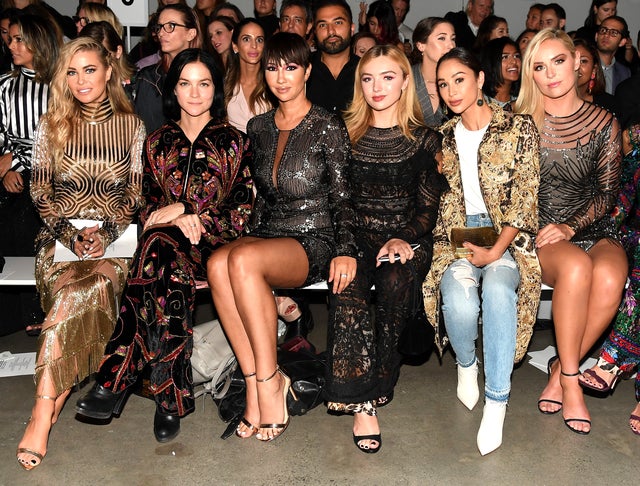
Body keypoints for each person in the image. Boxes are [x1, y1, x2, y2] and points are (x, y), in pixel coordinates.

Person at [75, 48, 253, 443]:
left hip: (215, 248)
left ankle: (114, 379)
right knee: (161, 253)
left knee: (157, 248)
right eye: (185, 83)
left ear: (215, 89)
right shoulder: (157, 142)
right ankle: (169, 397)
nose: (194, 93)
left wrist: (190, 211)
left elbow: (242, 213)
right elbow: (143, 208)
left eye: (203, 83)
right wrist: (168, 215)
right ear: (174, 88)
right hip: (165, 254)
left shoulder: (237, 142)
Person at [207, 32, 356, 442]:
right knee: (220, 262)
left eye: (291, 67)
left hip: (316, 236)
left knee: (241, 261)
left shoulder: (327, 125)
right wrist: (242, 239)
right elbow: (258, 200)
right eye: (272, 67)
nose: (281, 77)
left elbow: (344, 198)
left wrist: (345, 249)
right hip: (270, 232)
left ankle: (272, 381)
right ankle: (256, 383)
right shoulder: (257, 127)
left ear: (307, 71)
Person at [16, 37, 145, 470]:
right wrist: (70, 236)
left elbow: (134, 193)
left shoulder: (132, 126)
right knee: (72, 292)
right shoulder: (51, 124)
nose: (80, 80)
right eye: (71, 72)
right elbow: (39, 190)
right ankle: (44, 407)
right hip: (57, 239)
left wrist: (106, 233)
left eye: (89, 69)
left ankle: (42, 410)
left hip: (116, 241)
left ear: (109, 72)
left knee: (86, 291)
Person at [325, 44, 446, 454]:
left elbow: (429, 209)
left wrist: (404, 236)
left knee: (395, 277)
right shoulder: (344, 133)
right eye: (368, 78)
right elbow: (338, 201)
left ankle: (379, 375)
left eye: (388, 76)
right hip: (355, 237)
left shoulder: (425, 138)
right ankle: (362, 401)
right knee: (348, 282)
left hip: (409, 236)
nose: (377, 86)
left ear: (405, 82)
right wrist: (348, 244)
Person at [423, 47, 540, 456]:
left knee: (497, 291)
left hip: (508, 234)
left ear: (479, 81)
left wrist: (496, 251)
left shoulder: (518, 128)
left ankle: (497, 400)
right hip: (459, 232)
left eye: (459, 79)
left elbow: (525, 198)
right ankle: (466, 364)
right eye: (443, 83)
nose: (451, 90)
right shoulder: (442, 138)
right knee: (457, 302)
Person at [515, 28, 627, 435]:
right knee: (578, 267)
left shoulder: (604, 122)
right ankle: (569, 384)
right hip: (538, 233)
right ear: (531, 74)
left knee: (613, 274)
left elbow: (607, 193)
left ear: (578, 62)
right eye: (539, 67)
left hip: (589, 227)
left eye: (558, 61)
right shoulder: (520, 122)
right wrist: (550, 227)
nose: (551, 74)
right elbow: (507, 189)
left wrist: (570, 225)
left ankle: (563, 363)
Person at [0, 13, 62, 336]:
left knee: (28, 222)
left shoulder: (62, 83)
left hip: (53, 172)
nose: (11, 44)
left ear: (38, 41)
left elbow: (58, 139)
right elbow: (2, 135)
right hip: (15, 173)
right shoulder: (5, 85)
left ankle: (37, 308)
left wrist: (15, 161)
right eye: (10, 38)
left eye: (19, 38)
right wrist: (4, 165)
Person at [578, 121, 640, 436]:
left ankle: (614, 359)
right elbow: (625, 191)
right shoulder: (636, 136)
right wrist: (600, 226)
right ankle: (615, 357)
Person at [134, 3, 202, 134]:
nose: (161, 33)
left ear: (191, 33)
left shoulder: (209, 75)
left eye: (171, 26)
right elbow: (142, 131)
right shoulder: (148, 78)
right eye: (159, 27)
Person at [306, 0, 359, 115]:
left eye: (338, 22)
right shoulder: (302, 69)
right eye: (323, 25)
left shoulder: (366, 70)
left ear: (352, 28)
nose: (331, 31)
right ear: (315, 32)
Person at [224, 18, 273, 133]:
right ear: (235, 46)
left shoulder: (273, 83)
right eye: (246, 39)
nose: (254, 46)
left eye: (259, 40)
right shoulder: (224, 84)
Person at [411, 17, 455, 127]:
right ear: (421, 45)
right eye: (442, 38)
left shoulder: (460, 80)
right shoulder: (406, 80)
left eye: (453, 39)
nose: (451, 45)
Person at [573, 38, 621, 117]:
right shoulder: (549, 102)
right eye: (572, 60)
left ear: (594, 70)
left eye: (583, 61)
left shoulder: (609, 105)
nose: (576, 66)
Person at [480, 37, 521, 109]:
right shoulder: (479, 100)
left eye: (516, 56)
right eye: (505, 57)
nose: (514, 61)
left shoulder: (523, 100)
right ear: (491, 63)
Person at [595, 15, 631, 94]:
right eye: (603, 30)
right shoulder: (583, 63)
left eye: (614, 33)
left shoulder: (624, 73)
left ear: (622, 42)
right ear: (596, 36)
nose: (606, 35)